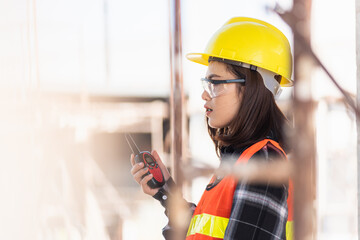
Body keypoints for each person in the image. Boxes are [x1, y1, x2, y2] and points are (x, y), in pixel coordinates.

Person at [130, 17, 293, 240]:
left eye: (215, 83)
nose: (205, 94)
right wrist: (166, 192)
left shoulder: (262, 163)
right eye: (206, 83)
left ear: (251, 88)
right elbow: (203, 232)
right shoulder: (241, 160)